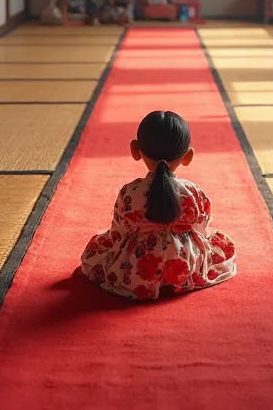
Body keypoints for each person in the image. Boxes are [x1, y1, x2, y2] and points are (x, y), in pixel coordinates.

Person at [80, 111, 236, 301]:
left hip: (137, 269)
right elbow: (200, 229)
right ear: (187, 156)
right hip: (184, 263)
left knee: (96, 250)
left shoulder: (130, 191)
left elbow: (119, 232)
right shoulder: (192, 192)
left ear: (135, 150)